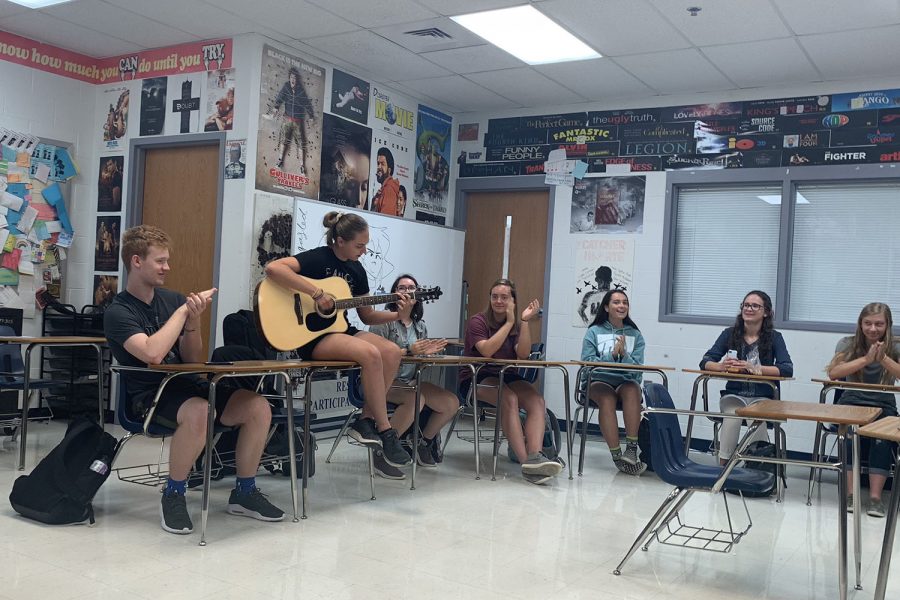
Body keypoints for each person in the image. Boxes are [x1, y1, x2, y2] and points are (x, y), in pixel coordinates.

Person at [104, 225, 284, 535]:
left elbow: (191, 359)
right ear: (136, 261)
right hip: (150, 396)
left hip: (188, 384)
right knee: (202, 411)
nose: (167, 267)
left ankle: (244, 491)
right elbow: (153, 353)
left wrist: (193, 321)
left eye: (167, 260)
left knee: (258, 406)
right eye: (160, 261)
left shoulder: (171, 298)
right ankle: (173, 493)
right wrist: (181, 313)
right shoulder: (117, 311)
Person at [265, 211, 413, 468]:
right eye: (359, 245)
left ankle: (365, 420)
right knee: (369, 354)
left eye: (366, 245)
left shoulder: (356, 269)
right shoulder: (318, 257)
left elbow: (366, 315)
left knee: (391, 351)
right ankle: (386, 430)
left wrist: (397, 314)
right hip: (313, 336)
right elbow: (273, 269)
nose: (364, 251)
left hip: (341, 331)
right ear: (340, 240)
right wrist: (317, 292)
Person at [459, 278, 562, 485]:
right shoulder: (478, 321)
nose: (498, 301)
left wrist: (523, 321)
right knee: (509, 399)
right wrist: (507, 323)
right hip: (476, 376)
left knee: (537, 402)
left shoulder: (516, 324)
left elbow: (522, 354)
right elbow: (487, 351)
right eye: (495, 296)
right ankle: (527, 464)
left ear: (513, 301)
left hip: (506, 375)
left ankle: (535, 455)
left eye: (504, 297)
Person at [369, 274, 459, 478]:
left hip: (409, 381)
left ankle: (421, 443)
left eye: (411, 288)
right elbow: (374, 358)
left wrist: (427, 355)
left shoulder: (420, 326)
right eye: (401, 287)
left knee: (450, 402)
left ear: (418, 294)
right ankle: (383, 453)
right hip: (382, 382)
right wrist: (409, 351)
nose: (406, 291)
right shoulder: (382, 322)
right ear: (394, 293)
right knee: (417, 398)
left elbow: (417, 360)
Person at [700, 290, 793, 465]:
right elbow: (705, 361)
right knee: (732, 416)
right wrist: (721, 366)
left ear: (766, 312)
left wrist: (754, 368)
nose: (749, 309)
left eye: (755, 306)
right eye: (746, 305)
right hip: (734, 395)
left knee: (756, 421)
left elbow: (787, 369)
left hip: (762, 397)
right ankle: (723, 469)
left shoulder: (775, 337)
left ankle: (755, 467)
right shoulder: (729, 333)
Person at [826, 302, 900, 518]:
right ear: (860, 324)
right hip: (851, 402)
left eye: (879, 324)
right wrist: (866, 359)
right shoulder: (847, 343)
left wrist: (883, 358)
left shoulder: (895, 346)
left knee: (882, 439)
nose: (873, 329)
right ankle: (851, 494)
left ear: (887, 325)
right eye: (868, 323)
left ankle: (875, 498)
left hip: (883, 405)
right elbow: (834, 373)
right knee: (849, 437)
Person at [580, 288, 647, 475]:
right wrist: (612, 355)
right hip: (599, 380)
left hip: (625, 380)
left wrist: (624, 355)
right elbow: (587, 363)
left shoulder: (635, 334)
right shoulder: (594, 331)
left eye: (625, 302)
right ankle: (617, 457)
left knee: (633, 391)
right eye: (616, 302)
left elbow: (638, 370)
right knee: (607, 399)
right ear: (607, 307)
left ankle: (631, 450)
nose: (622, 306)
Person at [270, 67, 312, 171]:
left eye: (295, 78)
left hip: (298, 122)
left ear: (297, 79)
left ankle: (302, 166)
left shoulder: (301, 91)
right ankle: (280, 160)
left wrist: (311, 116)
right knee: (283, 141)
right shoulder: (286, 87)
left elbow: (307, 104)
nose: (293, 79)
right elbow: (280, 97)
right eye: (291, 77)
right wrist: (276, 108)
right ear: (289, 78)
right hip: (287, 120)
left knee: (301, 144)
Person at [371, 147, 400, 216]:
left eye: (382, 164)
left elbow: (385, 222)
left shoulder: (389, 189)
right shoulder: (384, 189)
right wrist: (374, 205)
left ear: (389, 170)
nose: (379, 167)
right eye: (378, 163)